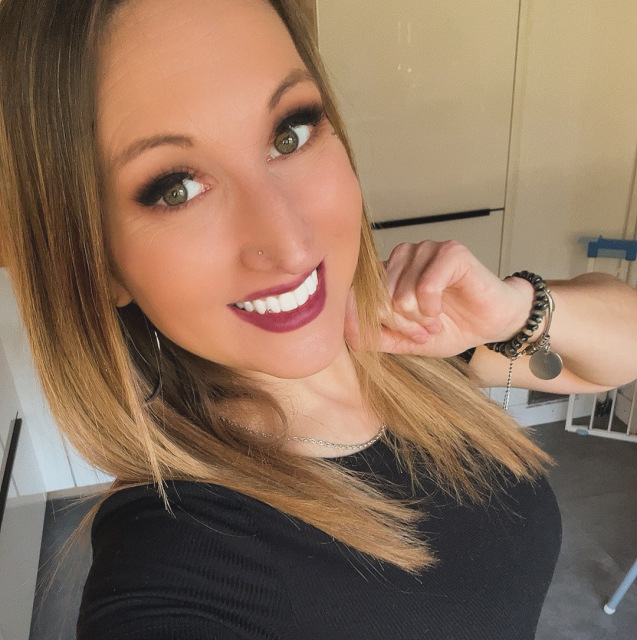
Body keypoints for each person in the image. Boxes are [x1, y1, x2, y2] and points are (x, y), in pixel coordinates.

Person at [0, 0, 635, 638]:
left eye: (290, 135)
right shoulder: (170, 564)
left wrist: (517, 311)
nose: (291, 243)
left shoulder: (402, 341)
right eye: (176, 189)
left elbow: (615, 355)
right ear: (97, 259)